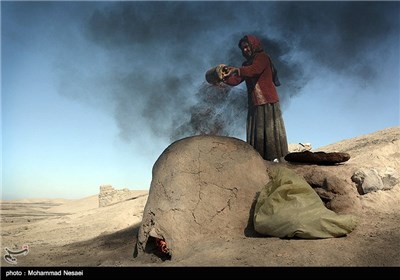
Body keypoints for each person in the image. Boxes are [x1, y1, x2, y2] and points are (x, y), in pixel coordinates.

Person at [223, 34, 289, 162]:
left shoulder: (262, 57)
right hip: (254, 103)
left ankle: (276, 159)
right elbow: (236, 80)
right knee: (257, 133)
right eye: (242, 49)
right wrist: (223, 78)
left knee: (270, 131)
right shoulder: (245, 64)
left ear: (253, 45)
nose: (245, 50)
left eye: (246, 47)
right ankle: (260, 160)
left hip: (267, 101)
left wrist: (236, 70)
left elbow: (255, 70)